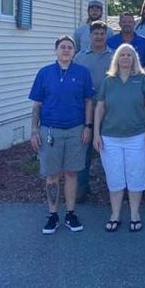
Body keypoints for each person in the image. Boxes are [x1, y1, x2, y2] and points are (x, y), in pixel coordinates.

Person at [28, 35, 94, 234]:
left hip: (76, 130)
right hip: (50, 130)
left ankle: (71, 213)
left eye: (70, 47)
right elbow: (37, 105)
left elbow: (88, 101)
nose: (66, 50)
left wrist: (88, 127)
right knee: (52, 176)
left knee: (72, 173)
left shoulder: (82, 73)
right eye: (62, 47)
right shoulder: (45, 73)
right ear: (56, 50)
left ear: (74, 52)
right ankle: (53, 215)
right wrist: (33, 131)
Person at [93, 44, 145, 233]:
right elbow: (100, 108)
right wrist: (96, 133)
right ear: (117, 59)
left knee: (136, 176)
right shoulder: (108, 81)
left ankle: (135, 214)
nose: (126, 58)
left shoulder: (142, 79)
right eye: (122, 55)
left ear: (134, 59)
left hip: (137, 136)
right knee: (115, 176)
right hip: (110, 137)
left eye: (129, 55)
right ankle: (115, 214)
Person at [73, 20, 113, 203]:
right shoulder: (80, 57)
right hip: (85, 109)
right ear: (90, 36)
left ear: (106, 36)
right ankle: (82, 187)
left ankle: (113, 188)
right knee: (84, 148)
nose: (99, 37)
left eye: (102, 34)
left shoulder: (114, 57)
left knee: (110, 149)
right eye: (95, 33)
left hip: (110, 109)